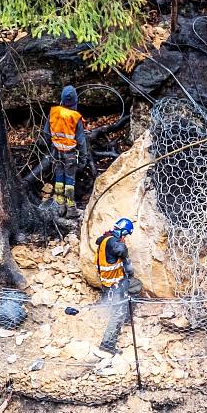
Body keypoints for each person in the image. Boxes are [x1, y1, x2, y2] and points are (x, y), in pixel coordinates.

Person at [44, 85, 90, 217]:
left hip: (56, 153)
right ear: (75, 101)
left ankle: (59, 206)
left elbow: (46, 133)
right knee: (70, 181)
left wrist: (51, 146)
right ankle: (71, 208)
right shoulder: (75, 117)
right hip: (70, 154)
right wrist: (83, 159)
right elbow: (81, 141)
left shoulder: (53, 112)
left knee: (59, 178)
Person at [94, 218, 136, 356]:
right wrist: (128, 268)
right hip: (114, 284)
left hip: (107, 282)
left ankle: (127, 317)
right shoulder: (116, 244)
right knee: (117, 314)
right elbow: (122, 253)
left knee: (135, 286)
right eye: (126, 234)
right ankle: (107, 344)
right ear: (123, 231)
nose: (126, 237)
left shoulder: (105, 239)